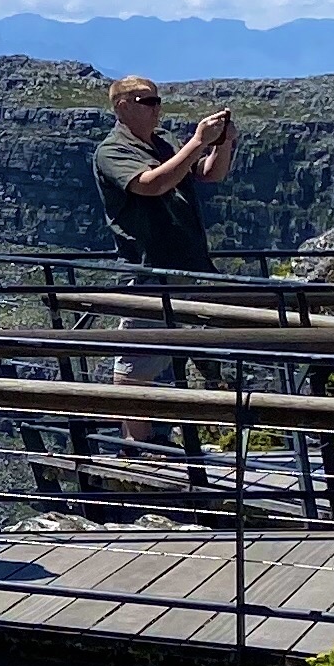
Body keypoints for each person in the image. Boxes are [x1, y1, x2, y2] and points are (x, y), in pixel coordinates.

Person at [89, 74, 238, 436]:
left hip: (189, 266)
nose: (157, 108)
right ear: (122, 106)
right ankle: (138, 445)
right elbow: (150, 185)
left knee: (191, 353)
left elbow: (207, 174)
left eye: (157, 100)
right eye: (147, 101)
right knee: (134, 365)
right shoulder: (112, 151)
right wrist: (197, 141)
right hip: (152, 270)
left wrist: (222, 145)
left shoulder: (163, 142)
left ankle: (170, 436)